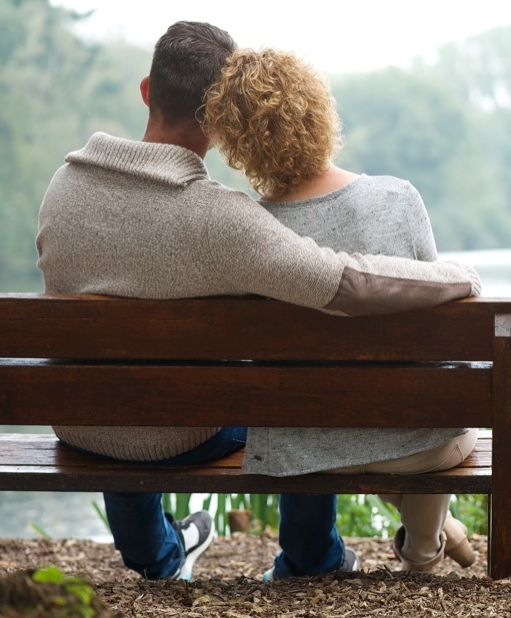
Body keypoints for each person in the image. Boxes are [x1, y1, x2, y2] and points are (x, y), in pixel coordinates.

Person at [35, 21, 481, 582]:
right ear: (221, 121)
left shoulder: (63, 188)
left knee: (119, 388)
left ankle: (161, 557)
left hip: (79, 421)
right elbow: (343, 282)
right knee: (291, 391)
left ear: (147, 90)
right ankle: (315, 557)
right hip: (185, 434)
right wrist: (454, 277)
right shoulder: (221, 218)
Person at [202, 47, 478, 577]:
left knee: (347, 416)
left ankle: (429, 538)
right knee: (432, 409)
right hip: (417, 445)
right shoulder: (398, 198)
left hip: (307, 450)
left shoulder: (253, 231)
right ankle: (423, 553)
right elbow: (438, 322)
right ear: (319, 111)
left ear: (239, 144)